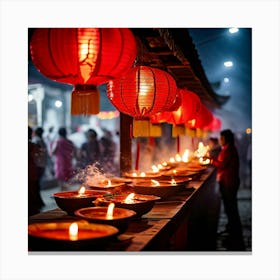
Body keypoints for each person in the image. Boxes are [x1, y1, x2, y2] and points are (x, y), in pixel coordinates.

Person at [212, 129, 245, 250]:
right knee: (229, 205)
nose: (220, 141)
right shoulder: (227, 148)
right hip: (227, 181)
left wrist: (211, 160)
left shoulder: (229, 149)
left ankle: (234, 229)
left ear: (226, 139)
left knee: (231, 206)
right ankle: (231, 226)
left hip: (229, 182)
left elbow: (222, 164)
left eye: (221, 138)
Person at [28, 126, 44, 215]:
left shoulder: (33, 144)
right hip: (32, 168)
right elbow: (38, 155)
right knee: (32, 188)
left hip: (31, 168)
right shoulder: (32, 145)